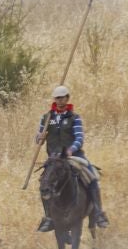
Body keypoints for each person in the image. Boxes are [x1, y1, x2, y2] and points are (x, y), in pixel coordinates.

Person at [36, 85, 108, 230]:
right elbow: (38, 139)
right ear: (54, 99)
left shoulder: (74, 118)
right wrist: (40, 137)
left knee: (92, 177)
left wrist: (70, 150)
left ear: (67, 98)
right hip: (54, 159)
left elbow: (79, 138)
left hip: (73, 156)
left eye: (62, 97)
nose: (60, 100)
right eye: (57, 98)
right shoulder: (47, 117)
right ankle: (49, 217)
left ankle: (99, 213)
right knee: (43, 184)